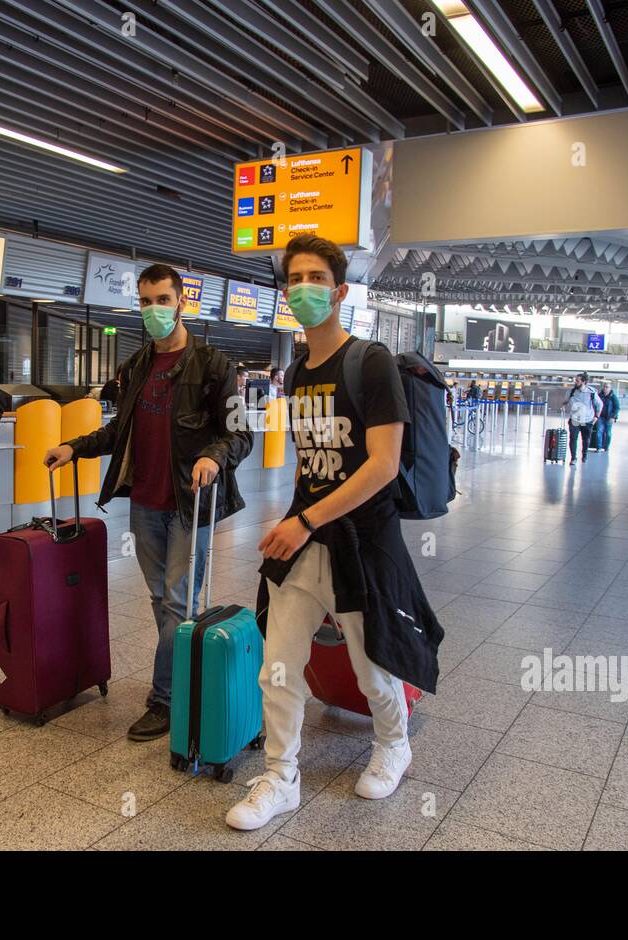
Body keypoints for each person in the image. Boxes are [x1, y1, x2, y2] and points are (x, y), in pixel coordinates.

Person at [225, 234, 442, 831]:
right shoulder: (296, 373)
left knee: (371, 663)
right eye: (294, 278)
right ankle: (280, 774)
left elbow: (382, 464)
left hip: (361, 541)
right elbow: (309, 457)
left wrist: (307, 519)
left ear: (340, 290)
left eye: (316, 278)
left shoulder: (370, 362)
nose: (302, 289)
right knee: (279, 664)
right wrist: (292, 520)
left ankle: (394, 743)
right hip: (305, 541)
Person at [43, 265, 251, 741]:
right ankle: (187, 677)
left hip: (190, 502)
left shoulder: (218, 367)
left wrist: (213, 456)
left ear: (182, 303)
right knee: (161, 599)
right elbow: (121, 431)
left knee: (177, 600)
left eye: (162, 300)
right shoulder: (135, 366)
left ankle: (165, 700)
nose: (153, 310)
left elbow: (241, 434)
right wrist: (76, 446)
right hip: (145, 502)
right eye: (145, 301)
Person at [561, 373, 602, 466]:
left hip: (587, 420)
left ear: (583, 382)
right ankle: (573, 458)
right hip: (574, 419)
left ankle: (584, 455)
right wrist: (563, 406)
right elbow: (565, 401)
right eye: (575, 380)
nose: (575, 382)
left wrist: (596, 417)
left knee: (586, 439)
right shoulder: (571, 392)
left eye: (577, 381)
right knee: (573, 438)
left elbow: (599, 404)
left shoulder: (591, 392)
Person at [596, 381, 620, 452]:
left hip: (609, 418)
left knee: (608, 433)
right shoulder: (599, 396)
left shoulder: (613, 397)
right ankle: (599, 447)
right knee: (599, 432)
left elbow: (617, 408)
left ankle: (606, 447)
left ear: (610, 388)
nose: (605, 388)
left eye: (607, 387)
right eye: (604, 387)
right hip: (601, 417)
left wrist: (613, 417)